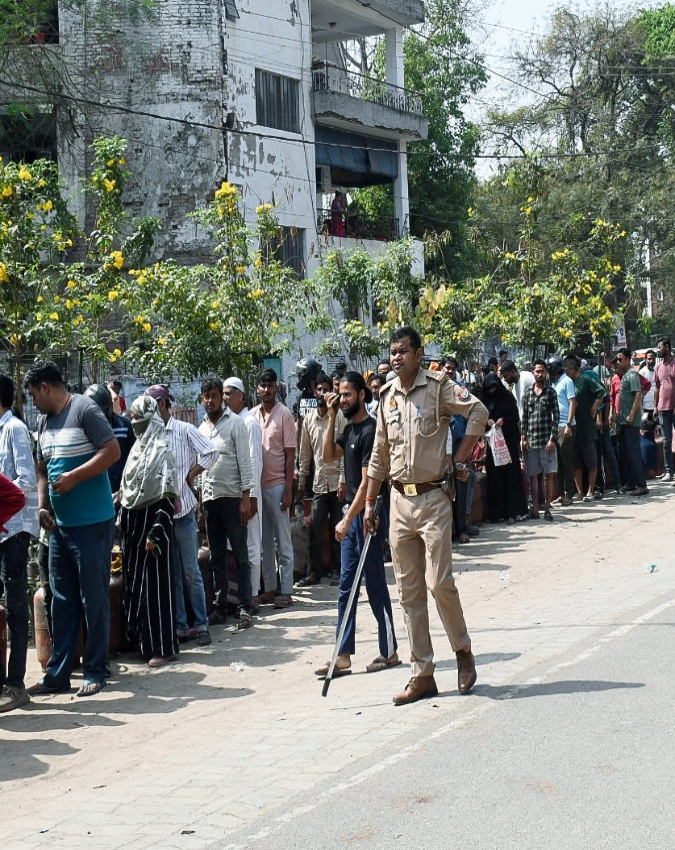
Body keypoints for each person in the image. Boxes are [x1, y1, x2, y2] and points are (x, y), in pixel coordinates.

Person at [364, 326, 488, 705]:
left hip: (434, 498)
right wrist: (369, 502)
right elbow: (379, 453)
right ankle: (422, 674)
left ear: (419, 354)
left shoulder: (438, 387)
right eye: (393, 352)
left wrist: (460, 459)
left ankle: (463, 652)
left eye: (404, 351)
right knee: (409, 593)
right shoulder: (386, 396)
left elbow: (478, 411)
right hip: (399, 501)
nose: (397, 357)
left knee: (439, 583)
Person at [25, 360, 120, 698]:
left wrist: (75, 477)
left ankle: (95, 670)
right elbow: (42, 468)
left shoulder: (84, 410)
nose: (32, 401)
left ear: (46, 387)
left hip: (92, 523)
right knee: (61, 601)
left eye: (33, 394)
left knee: (93, 599)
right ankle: (58, 674)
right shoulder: (43, 421)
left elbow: (112, 451)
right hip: (60, 527)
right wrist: (42, 506)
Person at [315, 371, 399, 677]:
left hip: (367, 515)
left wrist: (348, 518)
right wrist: (331, 416)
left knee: (375, 583)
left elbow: (367, 483)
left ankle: (389, 650)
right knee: (346, 586)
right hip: (352, 517)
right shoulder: (349, 429)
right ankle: (342, 654)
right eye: (340, 394)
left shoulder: (370, 430)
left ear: (362, 395)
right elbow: (327, 455)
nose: (342, 399)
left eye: (347, 394)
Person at [145, 384, 217, 646]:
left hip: (184, 510)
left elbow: (211, 452)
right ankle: (181, 626)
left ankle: (201, 624)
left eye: (152, 406)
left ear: (163, 404)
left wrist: (191, 474)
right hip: (162, 515)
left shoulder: (184, 430)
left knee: (190, 571)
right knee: (172, 573)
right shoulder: (150, 434)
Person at [118, 395, 179, 666]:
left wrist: (156, 531)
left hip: (152, 530)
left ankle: (163, 648)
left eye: (137, 419)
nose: (133, 424)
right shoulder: (136, 450)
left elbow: (168, 496)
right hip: (132, 530)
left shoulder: (162, 451)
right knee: (135, 588)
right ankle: (143, 643)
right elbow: (129, 488)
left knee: (155, 590)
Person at [198, 378, 255, 627]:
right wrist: (200, 505)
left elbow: (245, 463)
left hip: (233, 499)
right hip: (210, 501)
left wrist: (246, 498)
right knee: (216, 557)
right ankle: (220, 608)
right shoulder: (201, 429)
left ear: (221, 397)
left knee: (241, 554)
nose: (210, 400)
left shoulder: (235, 423)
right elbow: (200, 468)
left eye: (214, 395)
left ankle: (244, 606)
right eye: (206, 396)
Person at [0, 374, 38, 713]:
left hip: (13, 529)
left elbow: (25, 480)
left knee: (15, 605)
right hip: (2, 527)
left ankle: (16, 683)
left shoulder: (14, 428)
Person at [296, 372, 345, 587]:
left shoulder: (340, 417)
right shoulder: (309, 419)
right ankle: (315, 572)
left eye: (325, 389)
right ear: (314, 392)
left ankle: (338, 570)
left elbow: (343, 452)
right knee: (315, 528)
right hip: (319, 483)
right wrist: (301, 481)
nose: (321, 393)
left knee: (338, 528)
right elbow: (305, 452)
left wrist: (343, 479)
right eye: (318, 389)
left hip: (337, 482)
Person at [252, 368, 296, 608]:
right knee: (264, 543)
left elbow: (290, 455)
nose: (266, 389)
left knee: (283, 541)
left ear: (276, 387)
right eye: (263, 385)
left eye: (270, 385)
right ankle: (269, 589)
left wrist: (288, 490)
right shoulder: (251, 415)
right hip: (257, 488)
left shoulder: (284, 415)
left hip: (278, 486)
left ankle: (286, 590)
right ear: (257, 388)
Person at [223, 377, 263, 601]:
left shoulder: (250, 423)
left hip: (249, 495)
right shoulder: (230, 422)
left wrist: (252, 497)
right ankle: (239, 595)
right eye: (223, 394)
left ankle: (254, 593)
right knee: (237, 546)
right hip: (234, 494)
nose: (225, 398)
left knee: (252, 544)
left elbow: (254, 462)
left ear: (240, 396)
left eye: (229, 394)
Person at [482, 372, 528, 523]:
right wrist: (487, 422)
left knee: (511, 476)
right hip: (492, 444)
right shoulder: (484, 400)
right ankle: (496, 513)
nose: (492, 391)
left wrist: (503, 420)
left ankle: (513, 511)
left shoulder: (507, 397)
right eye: (490, 388)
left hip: (508, 442)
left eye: (494, 388)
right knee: (495, 478)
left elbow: (514, 417)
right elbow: (479, 418)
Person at [562, 355, 605, 501]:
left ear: (572, 369)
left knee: (591, 461)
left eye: (566, 369)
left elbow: (601, 392)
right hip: (574, 428)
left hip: (587, 427)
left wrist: (594, 407)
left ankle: (591, 491)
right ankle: (580, 492)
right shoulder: (569, 382)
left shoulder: (585, 379)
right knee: (576, 463)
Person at [520, 360, 559, 521]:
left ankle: (547, 508)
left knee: (549, 474)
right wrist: (523, 437)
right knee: (533, 476)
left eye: (542, 371)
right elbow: (525, 417)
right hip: (531, 441)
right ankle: (535, 508)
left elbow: (556, 417)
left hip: (546, 441)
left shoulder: (551, 392)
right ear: (533, 373)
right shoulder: (528, 393)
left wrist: (552, 439)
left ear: (546, 373)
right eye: (537, 371)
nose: (540, 374)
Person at [84, 383, 135, 501]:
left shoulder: (124, 426)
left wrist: (124, 490)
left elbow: (133, 460)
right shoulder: (82, 430)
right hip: (94, 494)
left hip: (120, 494)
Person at [612, 348, 648, 496]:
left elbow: (638, 394)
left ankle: (642, 485)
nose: (618, 362)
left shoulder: (632, 375)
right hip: (624, 421)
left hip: (631, 422)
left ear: (627, 359)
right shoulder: (625, 375)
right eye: (617, 360)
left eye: (620, 359)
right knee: (627, 453)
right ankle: (632, 483)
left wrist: (632, 415)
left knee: (634, 453)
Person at [549, 357, 577, 506]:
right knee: (558, 463)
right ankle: (561, 494)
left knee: (566, 462)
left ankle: (569, 495)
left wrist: (568, 424)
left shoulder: (567, 381)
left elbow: (572, 402)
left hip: (565, 425)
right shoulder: (555, 383)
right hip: (556, 425)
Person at [654, 337, 675, 481]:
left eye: (660, 347)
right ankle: (669, 471)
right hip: (663, 407)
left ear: (667, 347)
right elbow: (657, 387)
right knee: (666, 441)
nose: (658, 350)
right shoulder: (658, 367)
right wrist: (655, 407)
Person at [639, 350, 656, 421]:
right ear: (645, 359)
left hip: (656, 408)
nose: (651, 361)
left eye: (653, 359)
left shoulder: (657, 371)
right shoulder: (642, 373)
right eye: (649, 359)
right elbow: (639, 393)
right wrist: (641, 410)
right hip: (645, 408)